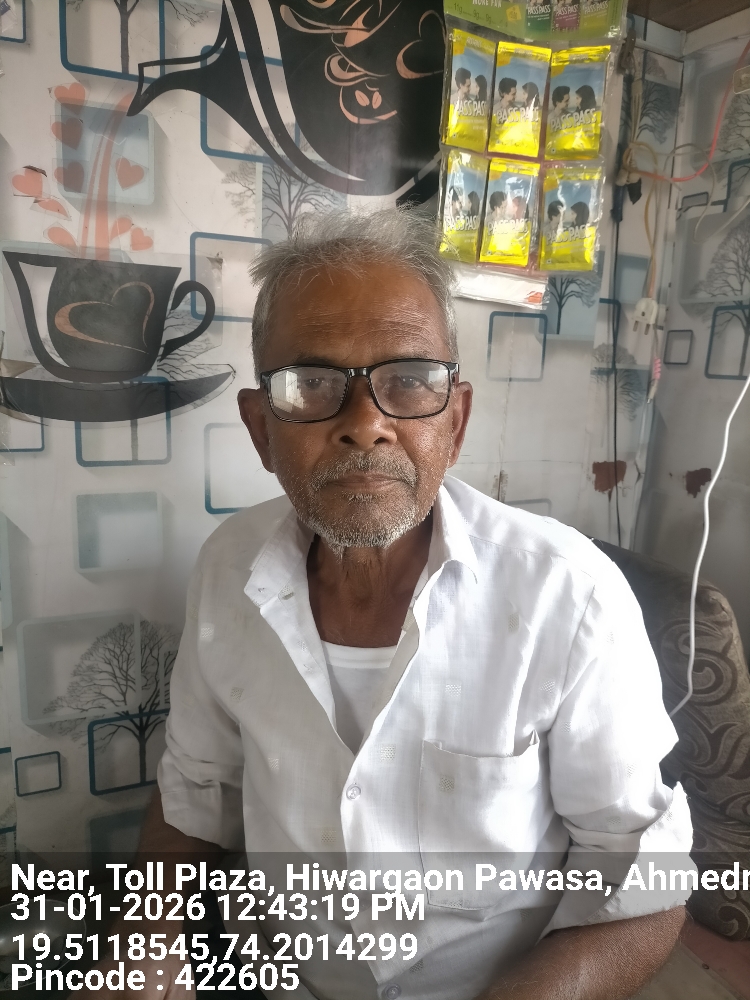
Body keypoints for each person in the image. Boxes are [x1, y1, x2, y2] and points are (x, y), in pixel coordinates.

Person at [81, 209, 692, 1000]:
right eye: (311, 384)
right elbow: (195, 794)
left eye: (409, 381)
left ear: (455, 421)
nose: (366, 425)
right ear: (262, 429)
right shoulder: (228, 569)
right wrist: (147, 947)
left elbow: (643, 883)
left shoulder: (568, 595)